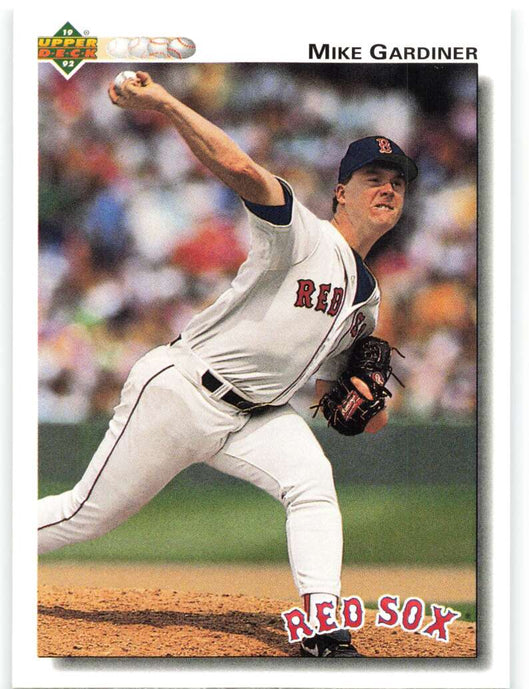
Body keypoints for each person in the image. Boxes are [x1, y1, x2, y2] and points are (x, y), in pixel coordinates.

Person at [38, 71, 418, 658]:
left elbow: (353, 406)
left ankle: (323, 628)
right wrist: (164, 102)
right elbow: (243, 172)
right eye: (373, 178)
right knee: (80, 518)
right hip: (184, 390)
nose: (387, 189)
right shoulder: (303, 236)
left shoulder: (366, 300)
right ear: (341, 191)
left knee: (312, 483)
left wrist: (366, 406)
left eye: (397, 182)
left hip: (256, 416)